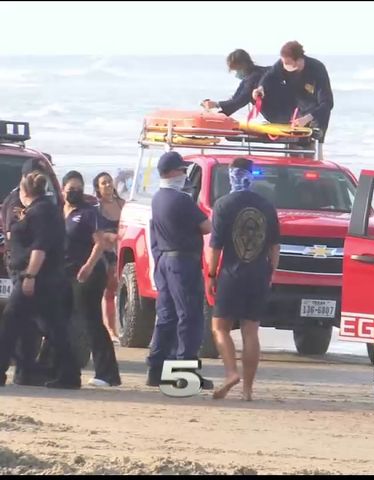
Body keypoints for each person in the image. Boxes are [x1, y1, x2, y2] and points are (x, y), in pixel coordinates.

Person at [205, 158, 278, 401]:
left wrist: (211, 274)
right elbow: (275, 247)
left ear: (231, 175)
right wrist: (270, 274)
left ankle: (230, 373)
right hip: (258, 275)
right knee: (250, 331)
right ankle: (247, 390)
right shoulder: (267, 206)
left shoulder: (223, 204)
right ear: (251, 176)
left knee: (220, 327)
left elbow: (214, 247)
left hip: (231, 274)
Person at [0, 170, 81, 388]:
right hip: (45, 279)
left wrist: (30, 276)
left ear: (25, 191)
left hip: (38, 278)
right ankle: (69, 375)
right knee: (54, 327)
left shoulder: (41, 213)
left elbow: (40, 248)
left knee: (9, 321)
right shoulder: (42, 210)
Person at [146, 152, 214, 389]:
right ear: (172, 172)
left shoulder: (157, 198)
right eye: (182, 170)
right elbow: (207, 227)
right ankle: (183, 373)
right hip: (182, 262)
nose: (185, 175)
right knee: (190, 317)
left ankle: (156, 368)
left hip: (164, 260)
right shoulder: (181, 200)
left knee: (166, 316)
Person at [62, 171, 122, 387]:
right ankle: (55, 365)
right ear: (63, 189)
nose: (75, 192)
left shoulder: (88, 213)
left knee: (91, 321)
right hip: (66, 274)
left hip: (88, 274)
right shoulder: (61, 211)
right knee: (63, 319)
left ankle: (107, 373)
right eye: (71, 188)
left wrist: (88, 266)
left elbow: (100, 243)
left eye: (79, 188)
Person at [1, 158, 56, 385]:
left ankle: (26, 372)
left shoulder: (45, 203)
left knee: (29, 323)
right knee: (17, 320)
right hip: (21, 269)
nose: (37, 180)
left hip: (37, 271)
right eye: (33, 176)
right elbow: (15, 237)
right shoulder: (14, 201)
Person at [253, 41, 334, 143]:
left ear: (299, 60)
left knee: (310, 145)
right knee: (295, 143)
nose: (284, 65)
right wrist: (260, 88)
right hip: (298, 110)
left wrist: (307, 118)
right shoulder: (283, 64)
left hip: (315, 114)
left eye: (287, 63)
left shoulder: (317, 69)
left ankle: (316, 152)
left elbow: (327, 103)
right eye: (283, 62)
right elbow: (268, 77)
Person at [201, 49, 294, 124]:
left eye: (236, 70)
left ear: (243, 65)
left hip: (282, 118)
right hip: (293, 112)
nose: (236, 73)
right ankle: (216, 118)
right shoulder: (263, 71)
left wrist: (216, 105)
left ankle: (214, 119)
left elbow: (239, 102)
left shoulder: (252, 79)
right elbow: (236, 99)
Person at [92, 172, 124, 342]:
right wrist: (109, 236)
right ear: (97, 187)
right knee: (108, 291)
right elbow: (94, 231)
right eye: (103, 183)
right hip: (105, 252)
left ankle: (115, 329)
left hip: (121, 251)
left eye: (110, 182)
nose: (108, 185)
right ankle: (110, 330)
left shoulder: (122, 204)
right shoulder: (96, 208)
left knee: (116, 290)